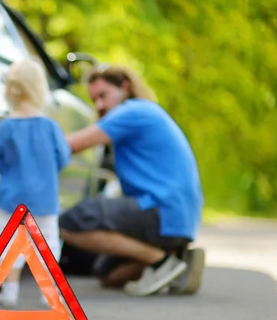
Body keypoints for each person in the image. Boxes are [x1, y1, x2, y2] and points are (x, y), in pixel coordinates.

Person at [59, 64, 204, 297]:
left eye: (103, 95)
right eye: (94, 99)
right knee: (108, 274)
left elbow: (72, 144)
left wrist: (31, 134)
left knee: (71, 222)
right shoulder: (146, 112)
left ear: (125, 86)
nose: (99, 105)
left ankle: (160, 262)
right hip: (179, 217)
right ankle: (175, 256)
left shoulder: (131, 112)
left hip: (161, 209)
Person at [0, 59, 71, 307]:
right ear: (40, 89)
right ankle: (48, 292)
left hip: (11, 197)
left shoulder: (4, 127)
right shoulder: (50, 127)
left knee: (9, 243)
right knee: (49, 242)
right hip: (45, 197)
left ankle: (9, 291)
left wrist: (9, 168)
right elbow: (63, 158)